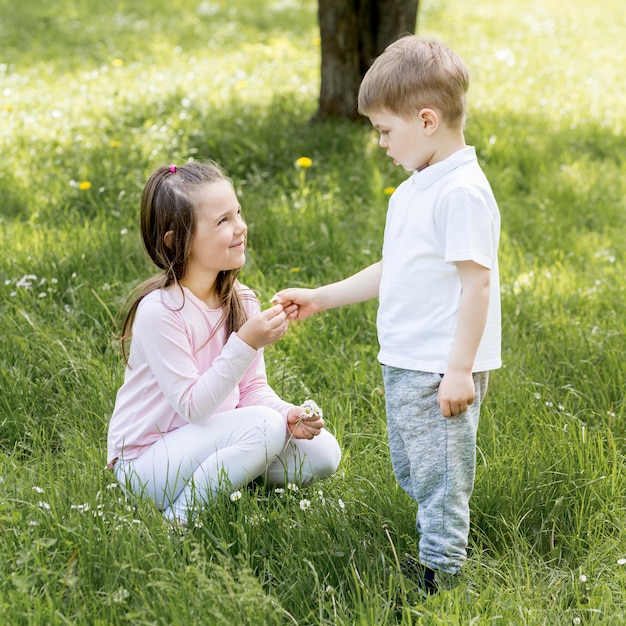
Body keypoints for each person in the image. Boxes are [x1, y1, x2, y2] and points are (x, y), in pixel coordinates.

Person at [274, 36, 501, 594]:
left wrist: (459, 369)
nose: (379, 143)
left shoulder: (462, 193)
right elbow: (395, 269)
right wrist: (323, 296)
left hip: (439, 365)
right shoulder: (415, 190)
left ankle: (441, 575)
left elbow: (478, 285)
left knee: (441, 475)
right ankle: (433, 550)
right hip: (408, 358)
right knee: (415, 469)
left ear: (427, 120)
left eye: (384, 130)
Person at [107, 162, 341, 525]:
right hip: (147, 463)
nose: (241, 227)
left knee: (323, 453)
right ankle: (178, 521)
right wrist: (245, 343)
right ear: (177, 240)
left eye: (238, 213)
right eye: (222, 221)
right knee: (263, 428)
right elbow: (193, 407)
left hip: (208, 442)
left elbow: (251, 389)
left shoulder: (241, 300)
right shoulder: (161, 311)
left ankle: (232, 472)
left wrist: (286, 414)